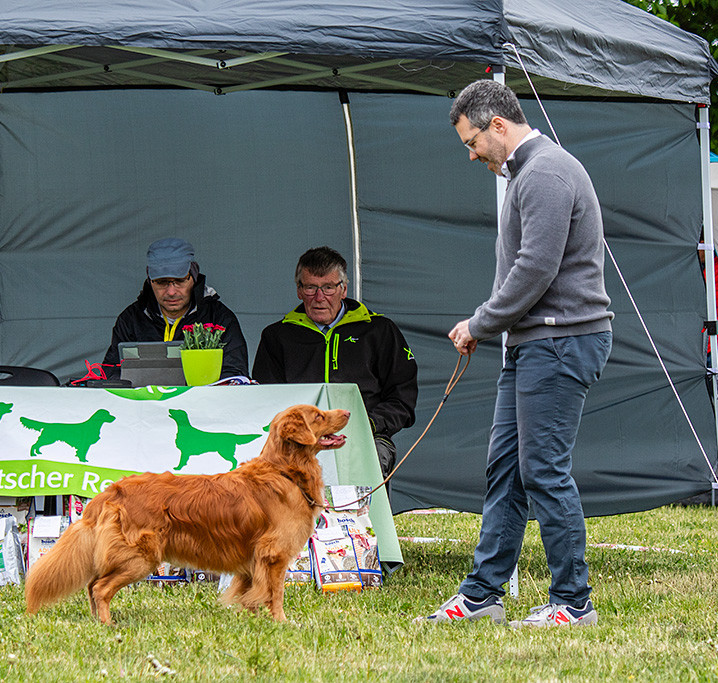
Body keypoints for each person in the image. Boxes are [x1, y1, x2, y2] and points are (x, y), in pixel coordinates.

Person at [417, 80, 613, 628]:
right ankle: (483, 596)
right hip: (533, 342)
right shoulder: (530, 173)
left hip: (560, 342)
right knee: (506, 469)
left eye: (471, 142)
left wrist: (480, 321)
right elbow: (529, 272)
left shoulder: (546, 173)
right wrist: (494, 325)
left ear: (497, 126)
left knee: (544, 471)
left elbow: (537, 268)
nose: (472, 154)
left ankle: (573, 603)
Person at [252, 246, 418, 478]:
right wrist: (302, 434)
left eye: (328, 288)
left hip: (366, 436)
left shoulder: (379, 330)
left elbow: (402, 398)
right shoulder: (277, 336)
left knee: (371, 466)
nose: (320, 298)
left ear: (343, 289)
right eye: (311, 288)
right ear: (299, 290)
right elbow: (266, 398)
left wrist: (368, 424)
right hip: (298, 441)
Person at [102, 238, 248, 379]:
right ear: (149, 280)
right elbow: (111, 373)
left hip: (202, 404)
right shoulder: (131, 319)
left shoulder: (218, 317)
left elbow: (235, 374)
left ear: (194, 275)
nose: (171, 292)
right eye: (161, 282)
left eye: (179, 281)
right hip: (145, 403)